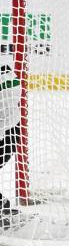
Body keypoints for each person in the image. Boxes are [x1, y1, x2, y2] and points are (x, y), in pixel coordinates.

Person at [0, 63, 22, 230]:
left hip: (6, 136)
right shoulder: (6, 69)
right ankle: (4, 208)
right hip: (11, 134)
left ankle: (3, 209)